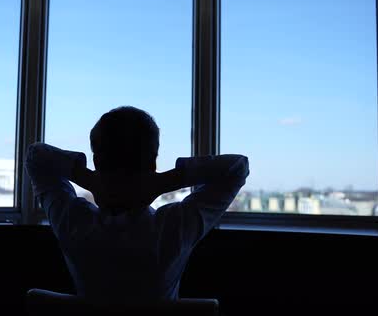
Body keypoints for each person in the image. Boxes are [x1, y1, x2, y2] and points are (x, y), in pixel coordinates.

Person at [25, 106, 249, 303]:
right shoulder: (175, 228)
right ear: (153, 163)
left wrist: (89, 179)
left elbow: (35, 156)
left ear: (97, 161)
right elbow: (237, 167)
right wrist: (164, 182)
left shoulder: (73, 223)